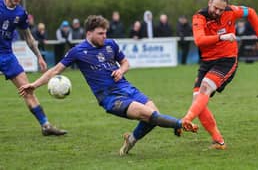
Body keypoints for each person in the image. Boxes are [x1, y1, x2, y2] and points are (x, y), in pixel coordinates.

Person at [19, 15, 191, 156]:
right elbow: (55, 71)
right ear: (89, 34)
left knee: (154, 116)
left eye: (105, 33)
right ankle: (180, 123)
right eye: (100, 33)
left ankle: (130, 140)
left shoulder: (111, 45)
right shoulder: (77, 51)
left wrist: (121, 71)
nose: (104, 36)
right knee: (150, 115)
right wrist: (34, 84)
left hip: (127, 88)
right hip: (110, 97)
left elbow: (125, 63)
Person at [181, 0, 258, 149]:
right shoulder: (199, 17)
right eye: (215, 8)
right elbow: (199, 41)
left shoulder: (232, 11)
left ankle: (186, 119)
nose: (217, 12)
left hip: (227, 60)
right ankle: (219, 141)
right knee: (197, 99)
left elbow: (250, 12)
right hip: (207, 62)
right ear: (210, 2)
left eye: (221, 10)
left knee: (205, 87)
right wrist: (222, 37)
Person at [0, 0, 67, 136]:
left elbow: (28, 38)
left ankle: (46, 126)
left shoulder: (21, 13)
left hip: (7, 55)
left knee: (28, 89)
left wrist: (39, 56)